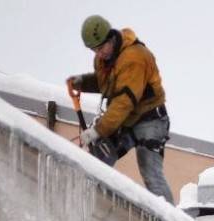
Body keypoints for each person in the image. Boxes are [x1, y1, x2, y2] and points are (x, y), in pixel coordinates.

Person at [67, 15, 174, 203]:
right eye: (94, 50)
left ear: (110, 38)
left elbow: (124, 101)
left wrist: (98, 130)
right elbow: (106, 83)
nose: (99, 54)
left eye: (101, 48)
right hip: (127, 120)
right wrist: (82, 82)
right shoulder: (104, 60)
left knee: (150, 172)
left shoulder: (135, 57)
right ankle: (90, 205)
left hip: (150, 120)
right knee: (99, 156)